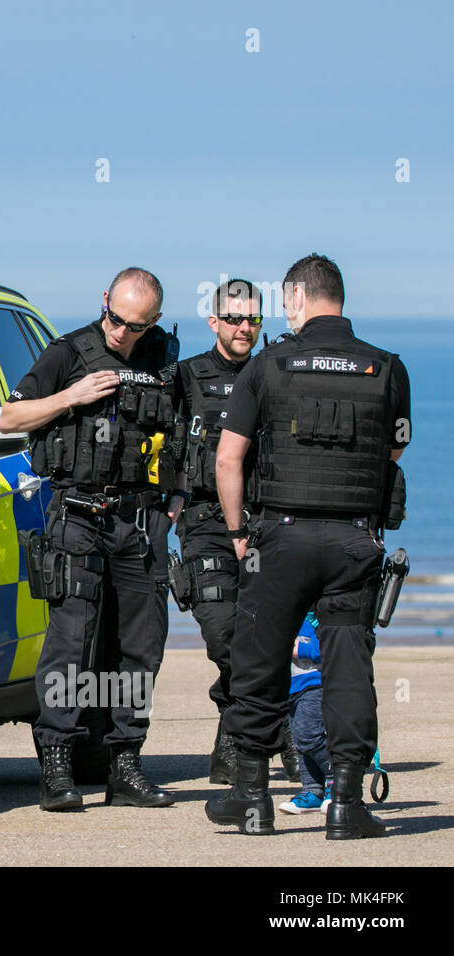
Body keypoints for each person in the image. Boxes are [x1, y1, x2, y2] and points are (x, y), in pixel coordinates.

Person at [204, 253, 410, 838]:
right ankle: (346, 805)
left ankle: (251, 799)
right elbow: (389, 456)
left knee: (259, 664)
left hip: (279, 539)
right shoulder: (387, 369)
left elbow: (228, 458)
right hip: (353, 542)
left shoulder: (268, 365)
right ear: (339, 299)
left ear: (295, 298)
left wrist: (240, 534)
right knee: (348, 667)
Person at [0, 267, 187, 811]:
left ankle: (125, 763)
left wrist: (176, 498)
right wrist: (72, 396)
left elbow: (179, 432)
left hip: (141, 522)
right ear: (104, 300)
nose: (122, 332)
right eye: (115, 318)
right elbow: (12, 416)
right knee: (71, 644)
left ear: (152, 320)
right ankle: (56, 766)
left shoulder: (164, 359)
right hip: (78, 516)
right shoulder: (67, 353)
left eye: (135, 325)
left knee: (141, 647)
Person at [175, 278, 298, 785]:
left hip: (265, 524)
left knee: (266, 638)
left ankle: (239, 742)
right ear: (214, 322)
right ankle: (278, 734)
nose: (243, 328)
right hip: (205, 524)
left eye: (252, 319)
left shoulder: (276, 371)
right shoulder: (185, 378)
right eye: (234, 319)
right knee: (225, 635)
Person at [280, 612, 331, 814]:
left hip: (316, 683)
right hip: (291, 685)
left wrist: (300, 649)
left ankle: (341, 780)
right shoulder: (285, 606)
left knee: (308, 736)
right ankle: (313, 790)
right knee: (300, 742)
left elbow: (335, 646)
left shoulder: (319, 612)